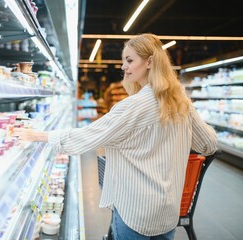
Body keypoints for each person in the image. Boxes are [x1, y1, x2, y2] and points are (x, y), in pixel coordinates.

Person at [13, 33, 218, 240]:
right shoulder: (181, 103)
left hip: (135, 211)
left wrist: (38, 135)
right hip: (168, 212)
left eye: (129, 60)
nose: (123, 66)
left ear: (149, 62)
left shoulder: (133, 106)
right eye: (123, 61)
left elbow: (87, 136)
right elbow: (209, 144)